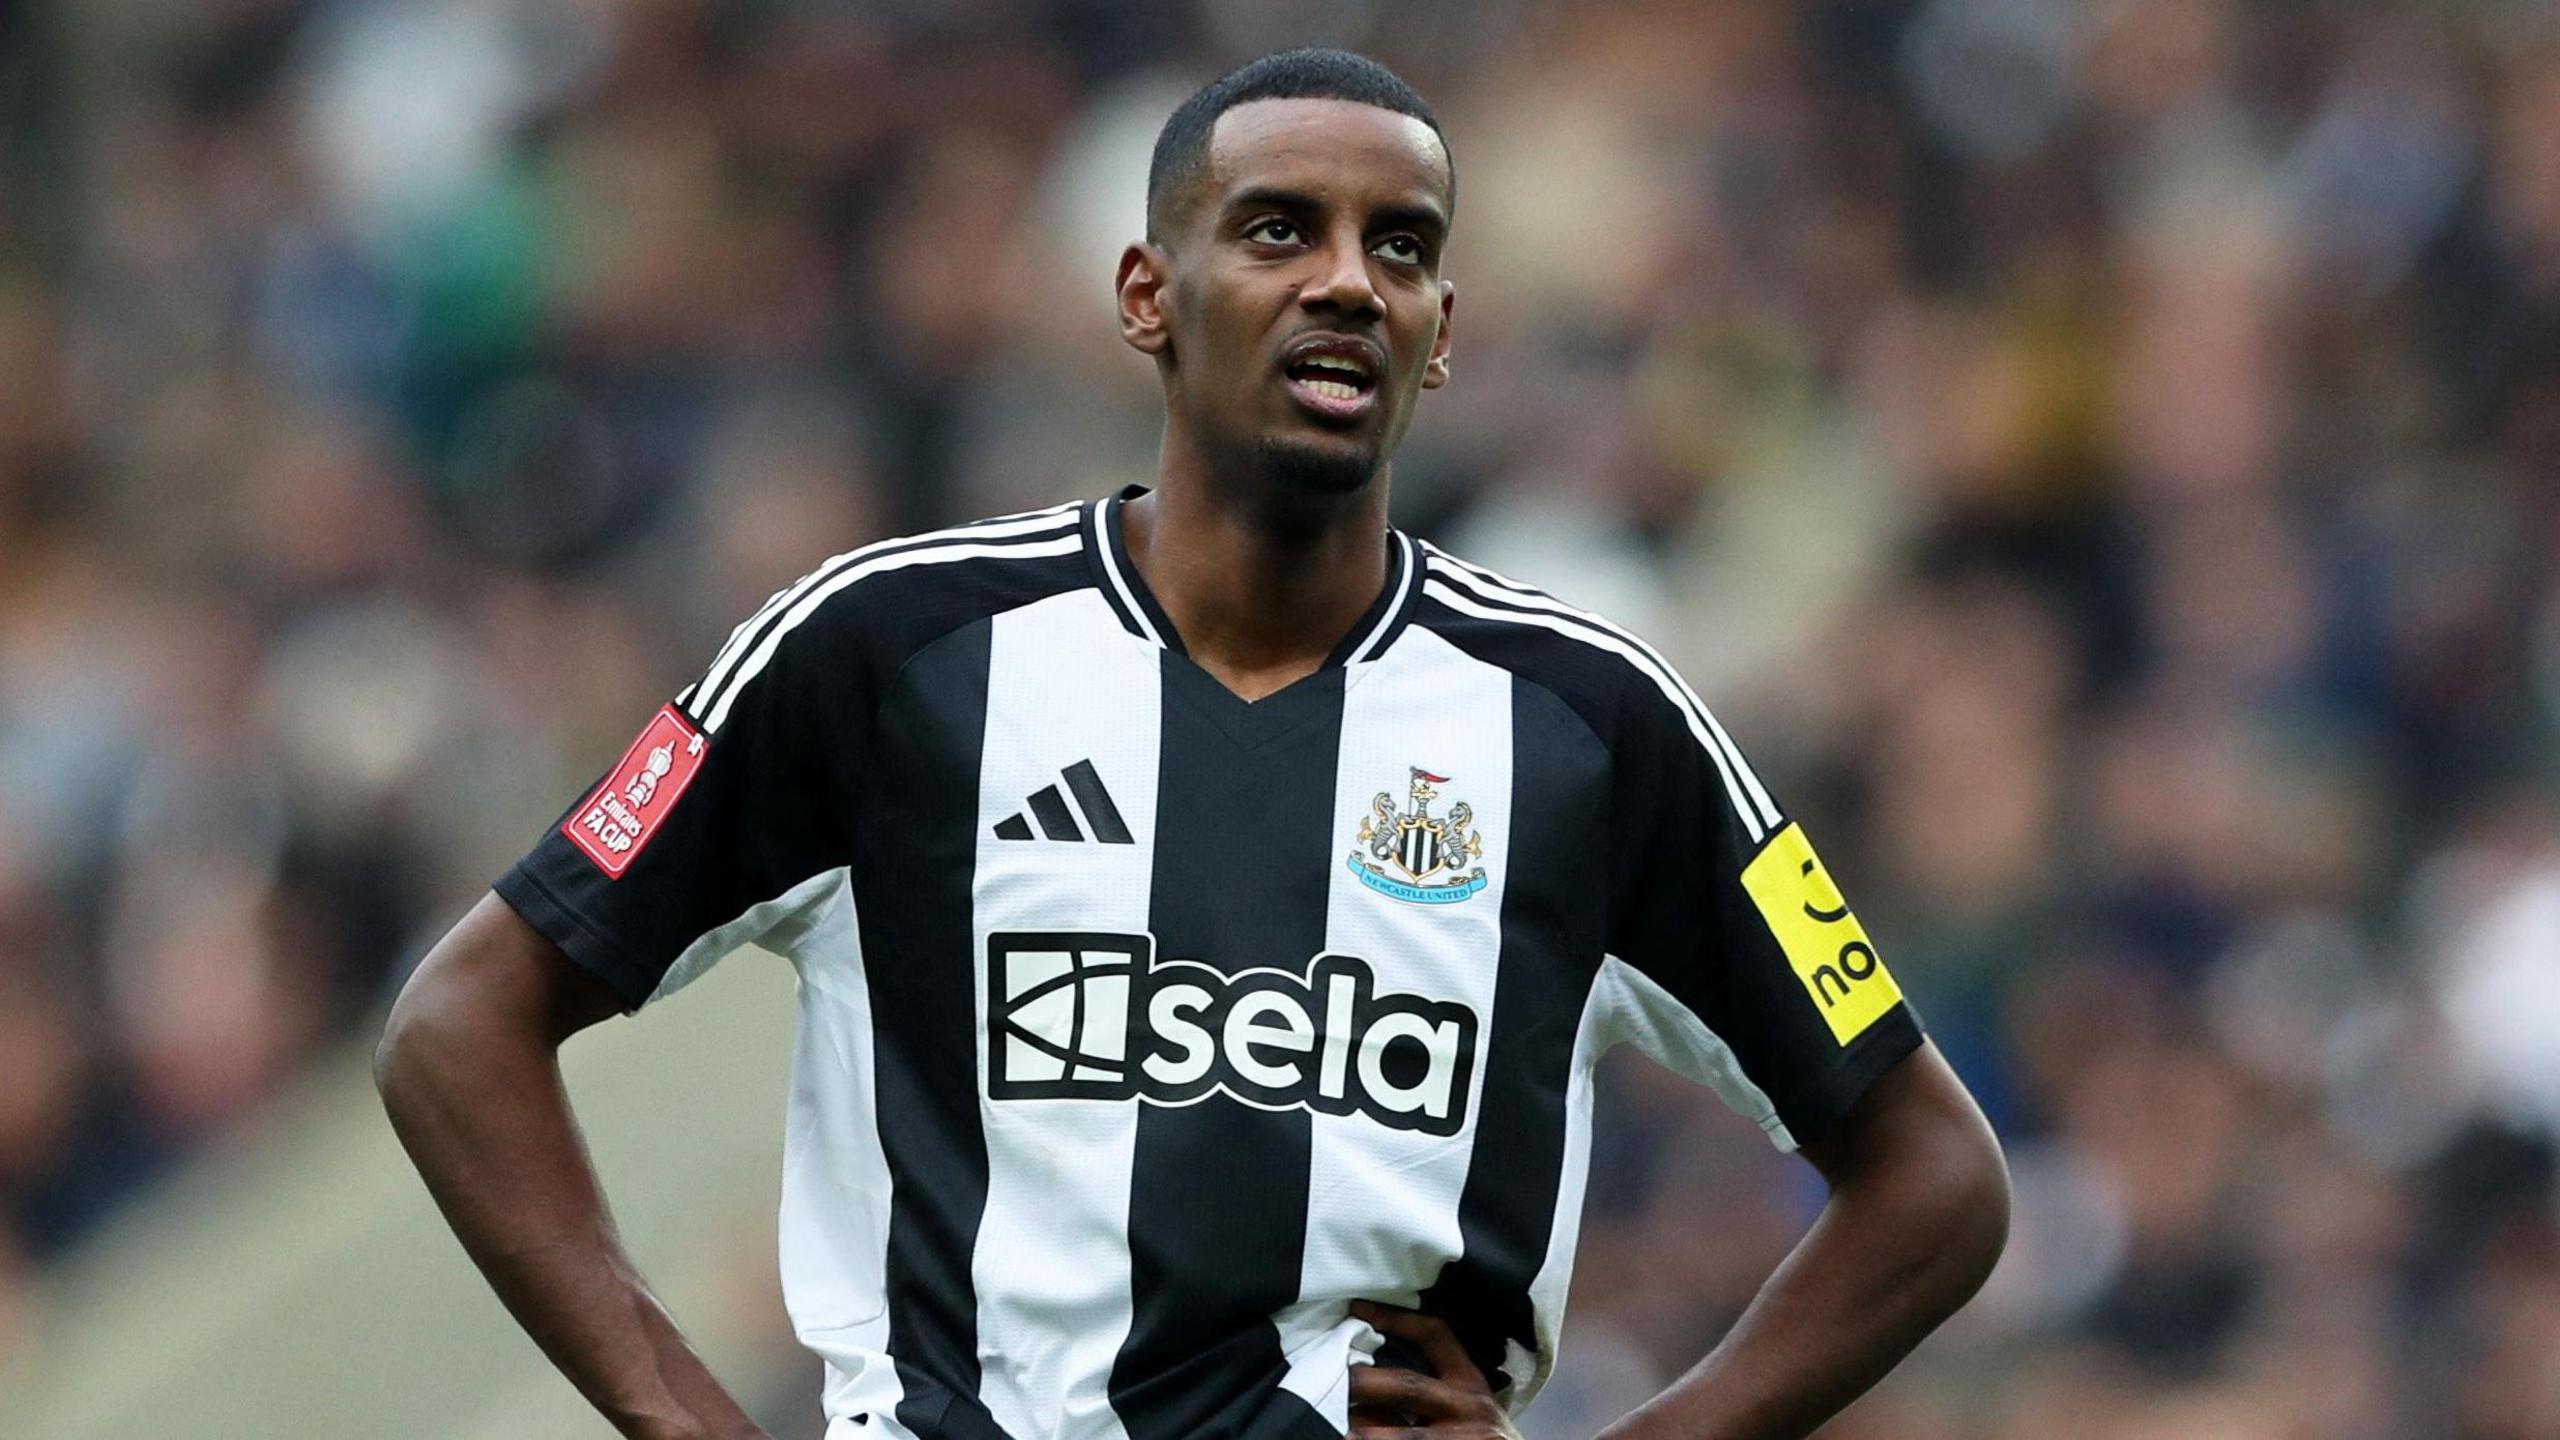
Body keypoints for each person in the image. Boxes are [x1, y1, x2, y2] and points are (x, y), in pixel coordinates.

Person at [376, 48, 2009, 1440]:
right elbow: (463, 1024)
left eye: (1404, 246)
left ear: (1442, 332)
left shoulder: (1589, 723)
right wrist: (685, 1417)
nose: (1348, 280)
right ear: (1149, 296)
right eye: (1281, 229)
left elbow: (1935, 1177)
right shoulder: (888, 653)